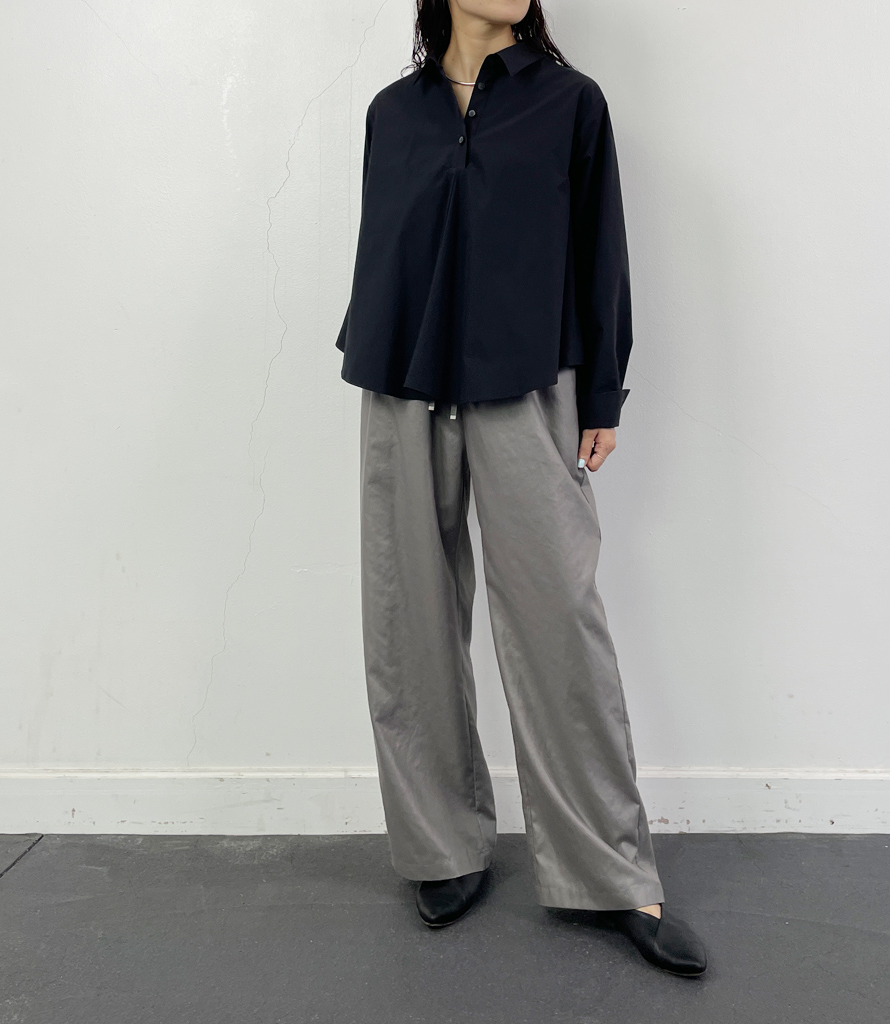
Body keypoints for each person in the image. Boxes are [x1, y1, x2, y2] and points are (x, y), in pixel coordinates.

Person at [335, 0, 708, 978]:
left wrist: (603, 389)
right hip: (403, 382)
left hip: (530, 383)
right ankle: (441, 846)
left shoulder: (570, 104)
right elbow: (386, 244)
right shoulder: (392, 113)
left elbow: (599, 251)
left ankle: (612, 872)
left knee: (559, 623)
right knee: (408, 622)